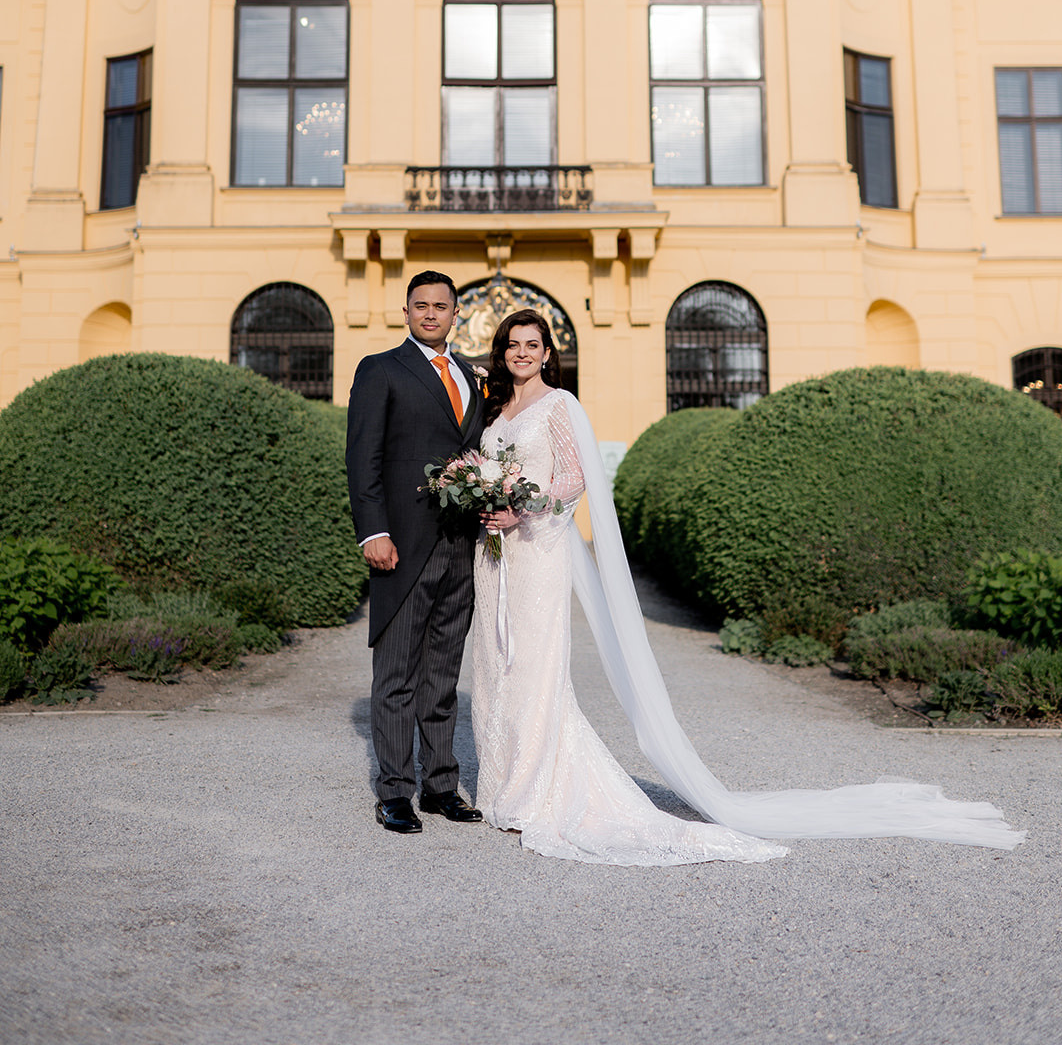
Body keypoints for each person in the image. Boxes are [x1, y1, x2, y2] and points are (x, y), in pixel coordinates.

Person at [470, 310, 1024, 865]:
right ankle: (501, 784)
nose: (522, 353)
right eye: (513, 344)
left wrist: (520, 508)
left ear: (548, 353)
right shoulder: (497, 410)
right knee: (496, 664)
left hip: (536, 551)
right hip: (494, 556)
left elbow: (574, 476)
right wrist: (483, 500)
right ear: (503, 351)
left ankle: (533, 790)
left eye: (532, 345)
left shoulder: (560, 405)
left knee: (536, 668)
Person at [346, 271, 486, 833]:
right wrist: (372, 531)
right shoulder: (380, 369)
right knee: (398, 672)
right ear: (405, 312)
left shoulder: (471, 376)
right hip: (401, 545)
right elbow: (364, 459)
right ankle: (396, 791)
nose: (431, 314)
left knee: (444, 674)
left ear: (456, 313)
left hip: (461, 546)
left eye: (442, 306)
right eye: (420, 306)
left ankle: (441, 784)